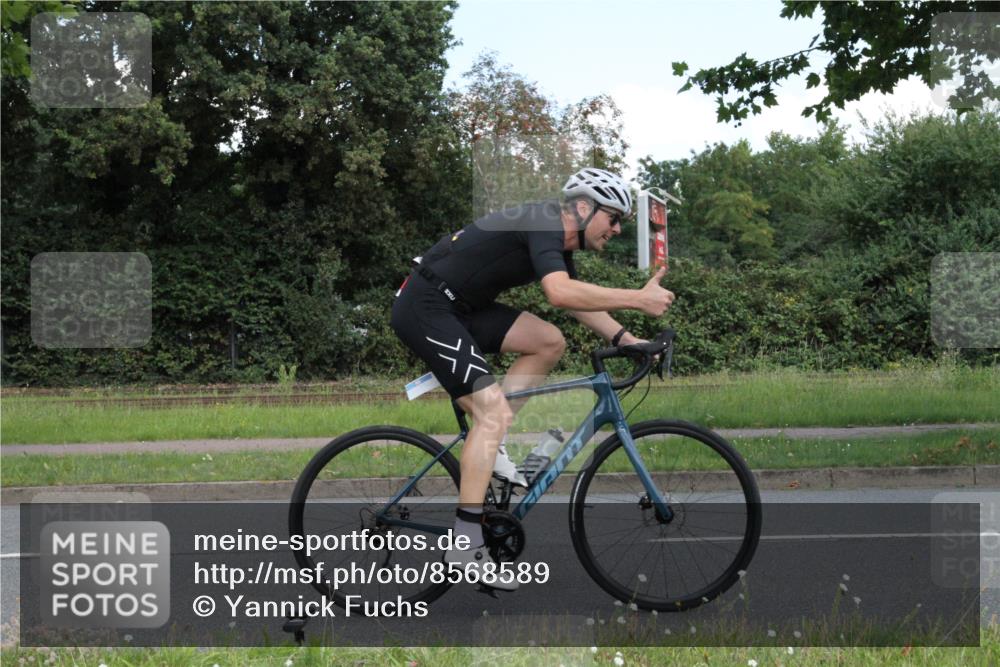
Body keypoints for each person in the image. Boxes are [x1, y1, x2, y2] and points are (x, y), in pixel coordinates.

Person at [390, 167, 675, 591]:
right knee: (491, 414)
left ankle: (492, 443)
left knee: (548, 341)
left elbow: (576, 301)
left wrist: (628, 339)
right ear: (583, 207)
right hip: (427, 306)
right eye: (612, 217)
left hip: (461, 310)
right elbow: (558, 293)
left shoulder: (556, 240)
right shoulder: (543, 221)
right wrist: (638, 299)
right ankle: (465, 546)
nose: (615, 228)